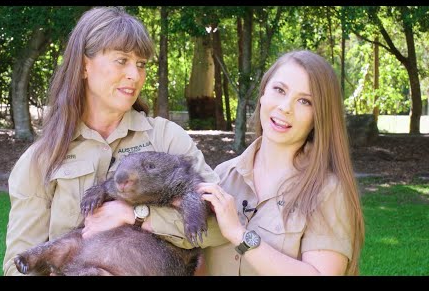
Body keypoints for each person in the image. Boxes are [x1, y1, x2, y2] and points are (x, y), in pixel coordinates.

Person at [89, 50, 365, 276]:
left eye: (304, 101)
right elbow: (198, 260)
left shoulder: (326, 190)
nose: (285, 108)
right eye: (279, 90)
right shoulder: (223, 176)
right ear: (263, 95)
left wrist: (238, 234)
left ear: (320, 116)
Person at [2, 6, 219, 276]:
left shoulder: (167, 139)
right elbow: (17, 266)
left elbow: (221, 230)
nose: (135, 75)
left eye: (141, 64)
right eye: (122, 60)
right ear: (84, 66)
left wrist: (139, 216)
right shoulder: (42, 158)